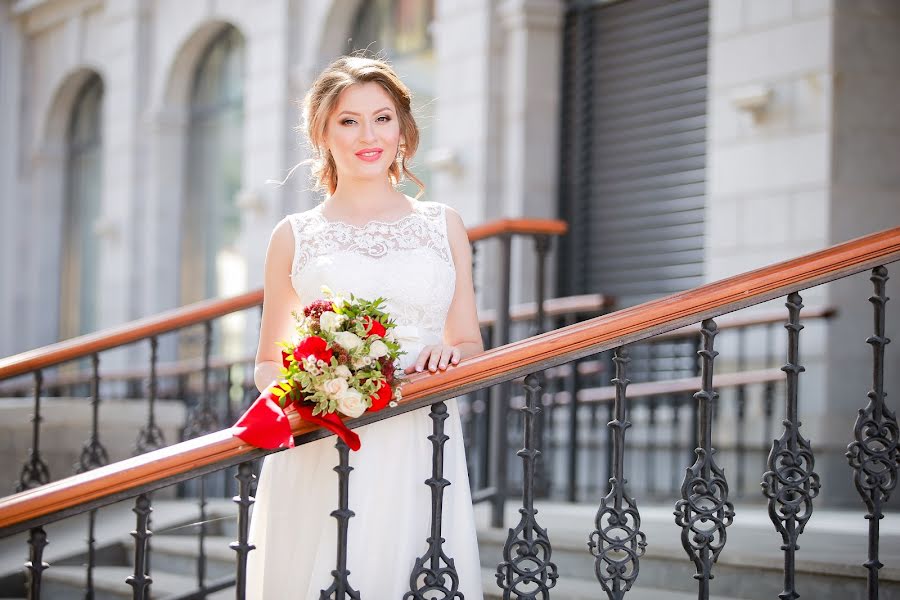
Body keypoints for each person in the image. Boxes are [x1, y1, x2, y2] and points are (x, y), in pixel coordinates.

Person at [245, 55, 485, 598]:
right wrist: (315, 386)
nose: (367, 135)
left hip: (419, 439)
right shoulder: (294, 234)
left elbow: (469, 342)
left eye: (382, 117)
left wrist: (450, 356)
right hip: (323, 442)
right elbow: (266, 363)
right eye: (348, 121)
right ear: (322, 133)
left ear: (403, 128)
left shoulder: (443, 225)